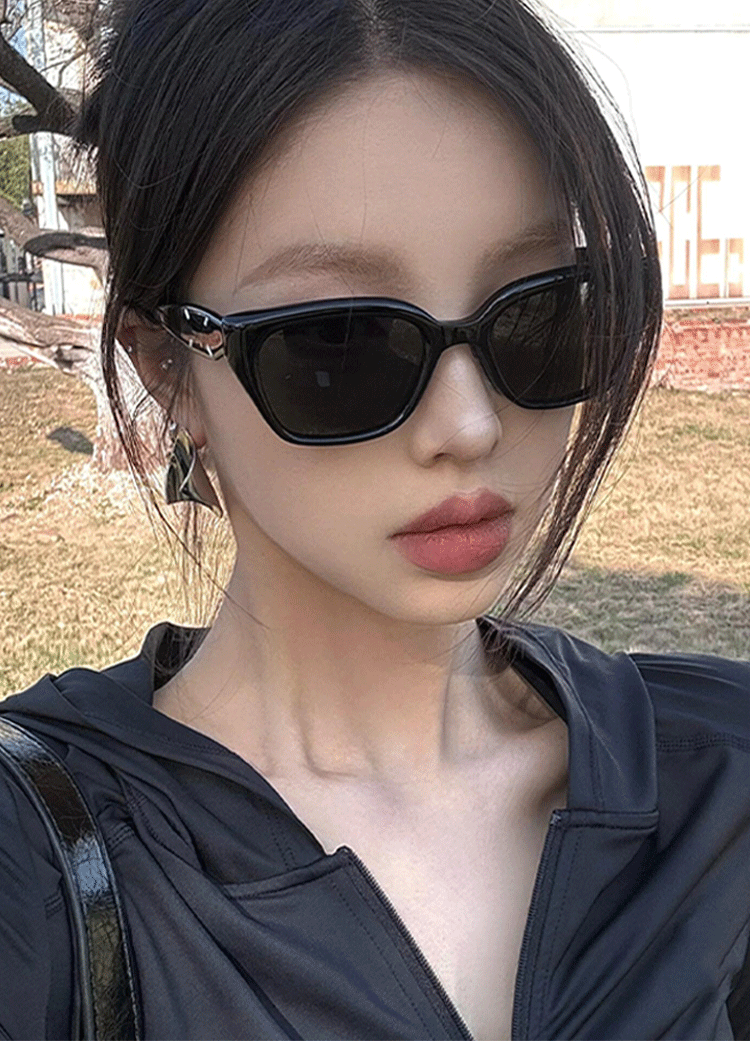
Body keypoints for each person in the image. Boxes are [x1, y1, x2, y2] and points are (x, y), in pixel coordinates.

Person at [1, 0, 748, 1042]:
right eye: (340, 341)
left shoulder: (720, 776)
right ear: (167, 365)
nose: (471, 424)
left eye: (540, 311)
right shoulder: (33, 866)